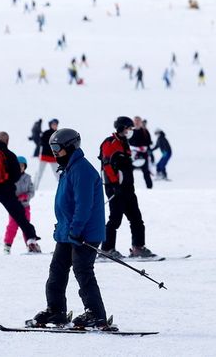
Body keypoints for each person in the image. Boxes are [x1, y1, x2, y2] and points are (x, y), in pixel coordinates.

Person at [29, 128, 110, 329]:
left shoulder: (81, 170)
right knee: (57, 271)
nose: (54, 152)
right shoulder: (68, 168)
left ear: (70, 146)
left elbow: (83, 205)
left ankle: (96, 314)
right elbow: (68, 204)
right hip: (68, 231)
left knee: (83, 271)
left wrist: (76, 229)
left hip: (84, 233)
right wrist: (63, 227)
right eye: (51, 148)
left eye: (57, 147)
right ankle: (56, 311)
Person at [99, 116, 156, 258]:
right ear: (122, 129)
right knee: (115, 219)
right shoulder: (110, 143)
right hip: (115, 189)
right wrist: (114, 184)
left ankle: (138, 247)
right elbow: (107, 166)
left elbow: (124, 166)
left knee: (136, 218)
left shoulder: (125, 143)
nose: (131, 131)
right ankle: (107, 249)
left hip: (128, 188)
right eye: (129, 128)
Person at [3, 156, 35, 254]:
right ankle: (7, 246)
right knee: (12, 226)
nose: (20, 167)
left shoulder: (28, 178)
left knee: (26, 226)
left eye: (22, 166)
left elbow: (32, 192)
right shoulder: (10, 177)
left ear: (24, 167)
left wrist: (26, 196)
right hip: (14, 207)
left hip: (25, 207)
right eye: (18, 166)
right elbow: (7, 191)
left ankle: (30, 244)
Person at [128, 116, 153, 189]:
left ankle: (150, 188)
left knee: (146, 172)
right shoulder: (131, 131)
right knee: (129, 172)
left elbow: (148, 142)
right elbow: (127, 142)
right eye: (135, 121)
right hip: (132, 155)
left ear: (141, 122)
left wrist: (144, 148)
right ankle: (129, 187)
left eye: (138, 121)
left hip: (143, 155)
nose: (137, 122)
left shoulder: (145, 131)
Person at [35, 119, 59, 189]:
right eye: (53, 124)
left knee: (57, 174)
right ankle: (34, 188)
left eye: (56, 124)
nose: (54, 126)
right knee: (39, 173)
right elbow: (41, 143)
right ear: (50, 125)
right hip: (44, 156)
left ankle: (62, 187)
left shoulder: (58, 134)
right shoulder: (46, 133)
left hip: (53, 157)